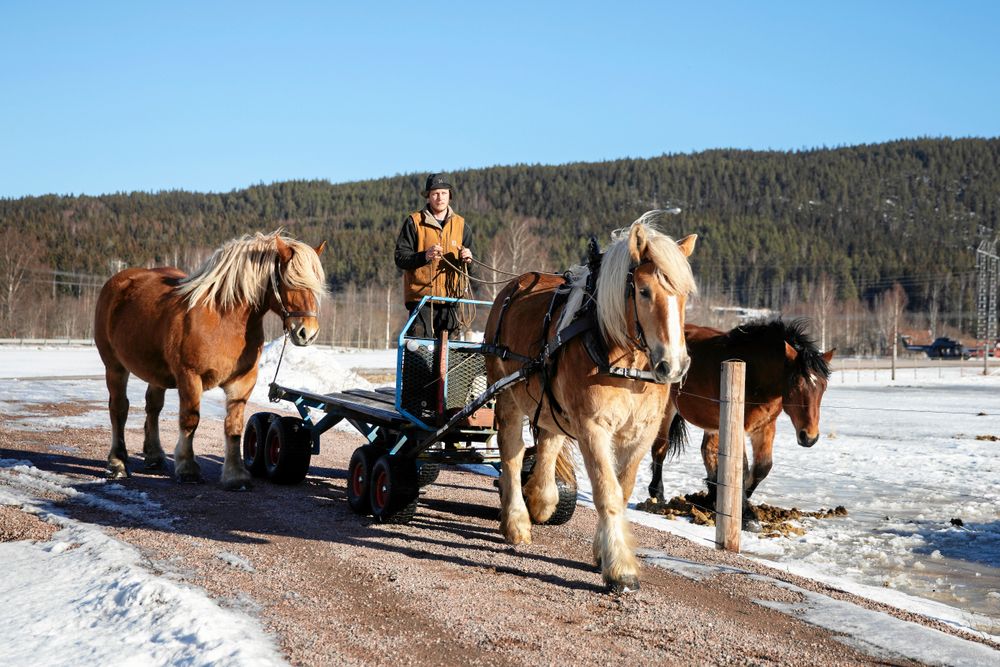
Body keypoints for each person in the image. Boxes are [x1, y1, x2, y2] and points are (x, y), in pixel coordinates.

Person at [394, 173, 473, 337]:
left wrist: (469, 260)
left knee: (449, 359)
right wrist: (424, 256)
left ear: (450, 196)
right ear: (428, 196)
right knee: (419, 357)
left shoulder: (461, 225)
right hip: (421, 303)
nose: (440, 197)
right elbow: (400, 258)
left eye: (444, 193)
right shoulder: (414, 222)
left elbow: (475, 271)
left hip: (451, 304)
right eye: (435, 193)